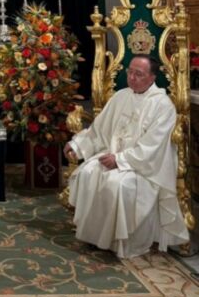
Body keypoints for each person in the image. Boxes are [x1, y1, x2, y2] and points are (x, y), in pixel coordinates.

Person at [64, 54, 189, 258]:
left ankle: (119, 243)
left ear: (152, 77)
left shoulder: (163, 106)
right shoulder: (121, 96)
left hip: (145, 169)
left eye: (138, 74)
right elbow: (99, 130)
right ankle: (94, 237)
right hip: (113, 156)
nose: (131, 77)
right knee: (88, 173)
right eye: (130, 72)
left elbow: (152, 148)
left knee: (118, 185)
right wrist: (78, 144)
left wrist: (120, 160)